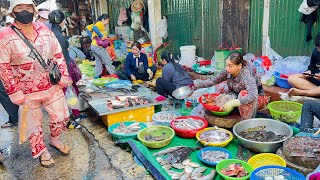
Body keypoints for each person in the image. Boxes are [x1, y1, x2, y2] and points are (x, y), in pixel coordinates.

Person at [0, 0, 71, 167]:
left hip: (52, 85)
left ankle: (55, 139)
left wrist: (63, 76)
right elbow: (3, 67)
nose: (24, 11)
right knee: (34, 125)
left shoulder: (45, 30)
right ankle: (41, 151)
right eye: (20, 8)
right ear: (12, 12)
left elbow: (58, 54)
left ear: (34, 10)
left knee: (61, 117)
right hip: (26, 91)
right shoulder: (5, 35)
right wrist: (13, 91)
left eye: (27, 8)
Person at [194, 52, 268, 120]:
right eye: (226, 65)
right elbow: (213, 81)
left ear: (239, 66)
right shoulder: (228, 71)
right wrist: (195, 85)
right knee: (222, 88)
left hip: (257, 99)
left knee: (243, 93)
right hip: (236, 95)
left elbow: (253, 95)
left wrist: (233, 103)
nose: (227, 68)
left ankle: (245, 122)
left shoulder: (247, 74)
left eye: (230, 66)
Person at [48, 10, 82, 129]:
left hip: (55, 68)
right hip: (63, 68)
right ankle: (69, 119)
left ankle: (73, 115)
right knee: (69, 92)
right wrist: (67, 75)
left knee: (66, 93)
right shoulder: (58, 35)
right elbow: (61, 56)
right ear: (62, 21)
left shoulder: (50, 32)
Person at [288, 33, 320, 97]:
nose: (319, 50)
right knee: (291, 78)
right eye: (318, 48)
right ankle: (316, 91)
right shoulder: (316, 52)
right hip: (315, 80)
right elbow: (312, 67)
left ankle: (303, 92)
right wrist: (309, 71)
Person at [90, 14, 116, 78]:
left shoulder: (101, 25)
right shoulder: (100, 23)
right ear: (103, 19)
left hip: (94, 46)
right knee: (107, 60)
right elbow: (94, 28)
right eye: (107, 20)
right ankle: (113, 75)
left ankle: (96, 76)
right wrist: (101, 36)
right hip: (98, 46)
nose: (108, 22)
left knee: (98, 61)